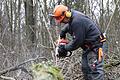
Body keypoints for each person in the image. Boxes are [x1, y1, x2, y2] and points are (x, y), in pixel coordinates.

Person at [51, 5, 106, 80]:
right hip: (88, 47)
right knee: (86, 69)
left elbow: (77, 42)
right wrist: (63, 32)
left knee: (95, 71)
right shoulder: (72, 17)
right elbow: (69, 25)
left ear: (66, 14)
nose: (61, 22)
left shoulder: (77, 21)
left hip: (95, 47)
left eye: (61, 20)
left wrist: (64, 48)